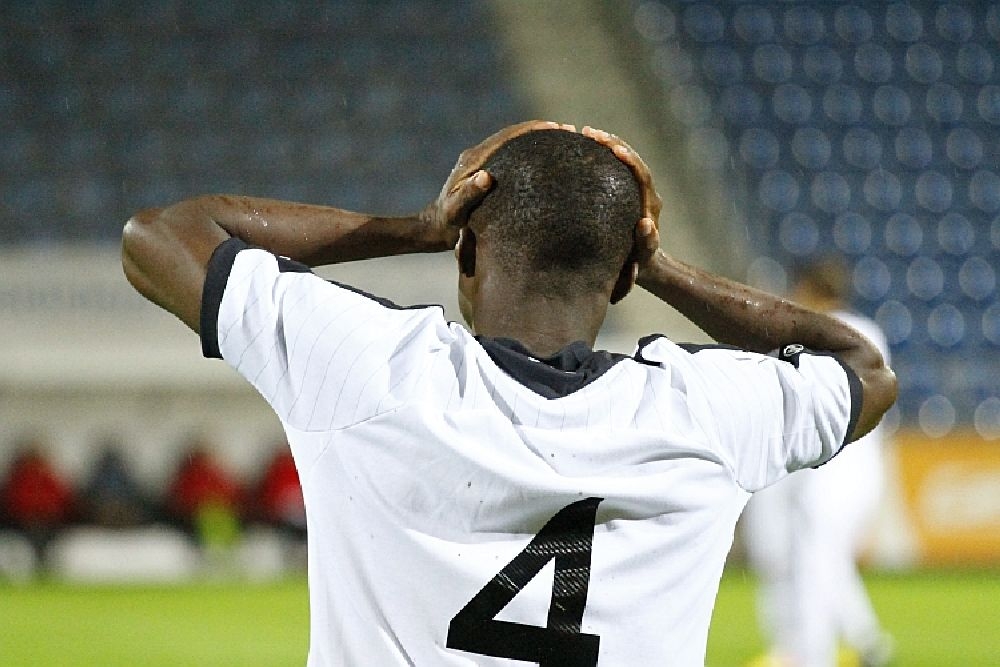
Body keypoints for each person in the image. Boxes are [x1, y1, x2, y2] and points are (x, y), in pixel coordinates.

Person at [121, 121, 896, 666]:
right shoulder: (703, 412)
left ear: (466, 254)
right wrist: (661, 266)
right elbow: (865, 369)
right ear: (621, 279)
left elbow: (159, 235)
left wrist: (413, 226)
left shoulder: (367, 365)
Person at [742, 258, 895, 667]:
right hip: (858, 468)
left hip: (835, 472)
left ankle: (810, 656)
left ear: (811, 290)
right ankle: (864, 643)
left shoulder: (826, 332)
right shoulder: (867, 330)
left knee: (812, 566)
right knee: (825, 563)